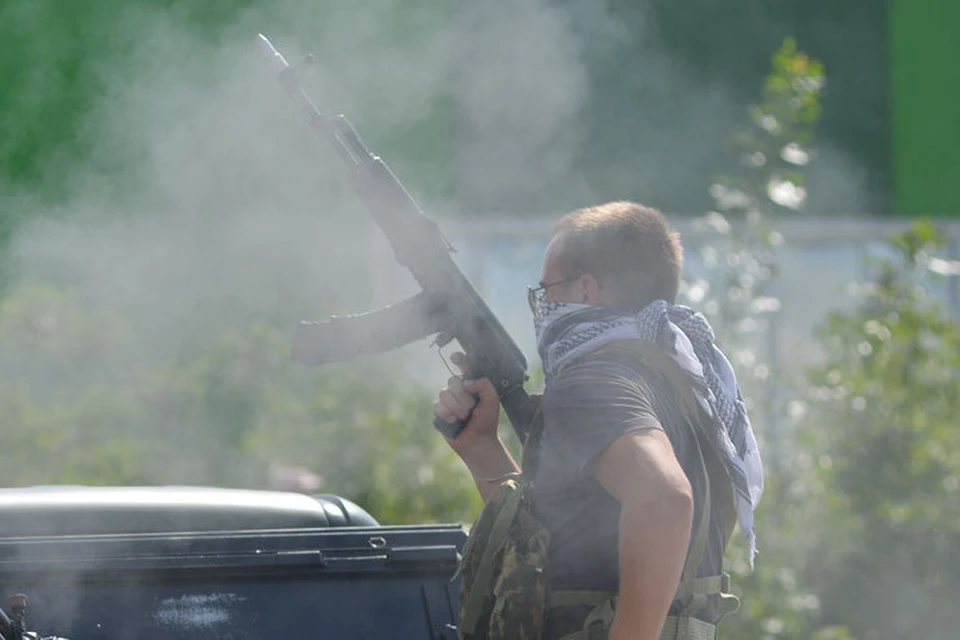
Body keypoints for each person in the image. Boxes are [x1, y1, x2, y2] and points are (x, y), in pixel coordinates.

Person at [434, 201, 764, 640]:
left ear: (586, 290)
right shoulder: (675, 380)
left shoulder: (592, 378)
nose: (541, 306)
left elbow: (665, 499)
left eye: (545, 290)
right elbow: (547, 544)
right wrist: (482, 448)